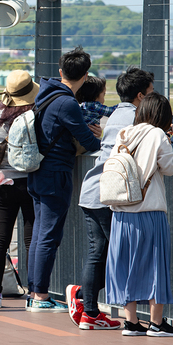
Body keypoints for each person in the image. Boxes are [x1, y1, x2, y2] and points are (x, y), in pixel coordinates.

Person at [67, 68, 173, 330]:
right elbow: (164, 163)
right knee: (141, 261)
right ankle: (151, 320)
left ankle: (90, 310)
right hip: (125, 198)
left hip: (98, 191)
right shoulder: (143, 126)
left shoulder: (116, 117)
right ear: (142, 96)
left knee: (102, 255)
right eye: (152, 92)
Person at [105, 93, 173, 337]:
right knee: (154, 265)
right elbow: (169, 168)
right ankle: (156, 322)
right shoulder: (157, 135)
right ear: (162, 116)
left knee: (126, 266)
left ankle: (130, 322)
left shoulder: (124, 133)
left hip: (121, 212)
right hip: (149, 211)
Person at [27, 46, 101, 312]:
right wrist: (99, 134)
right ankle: (40, 296)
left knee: (38, 235)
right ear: (85, 75)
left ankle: (34, 291)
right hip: (55, 174)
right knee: (48, 236)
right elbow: (89, 142)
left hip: (37, 172)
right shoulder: (67, 102)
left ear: (60, 72)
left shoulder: (45, 95)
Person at [0, 70, 38, 309]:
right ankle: (35, 290)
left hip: (2, 181)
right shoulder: (31, 116)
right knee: (31, 238)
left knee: (0, 238)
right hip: (29, 180)